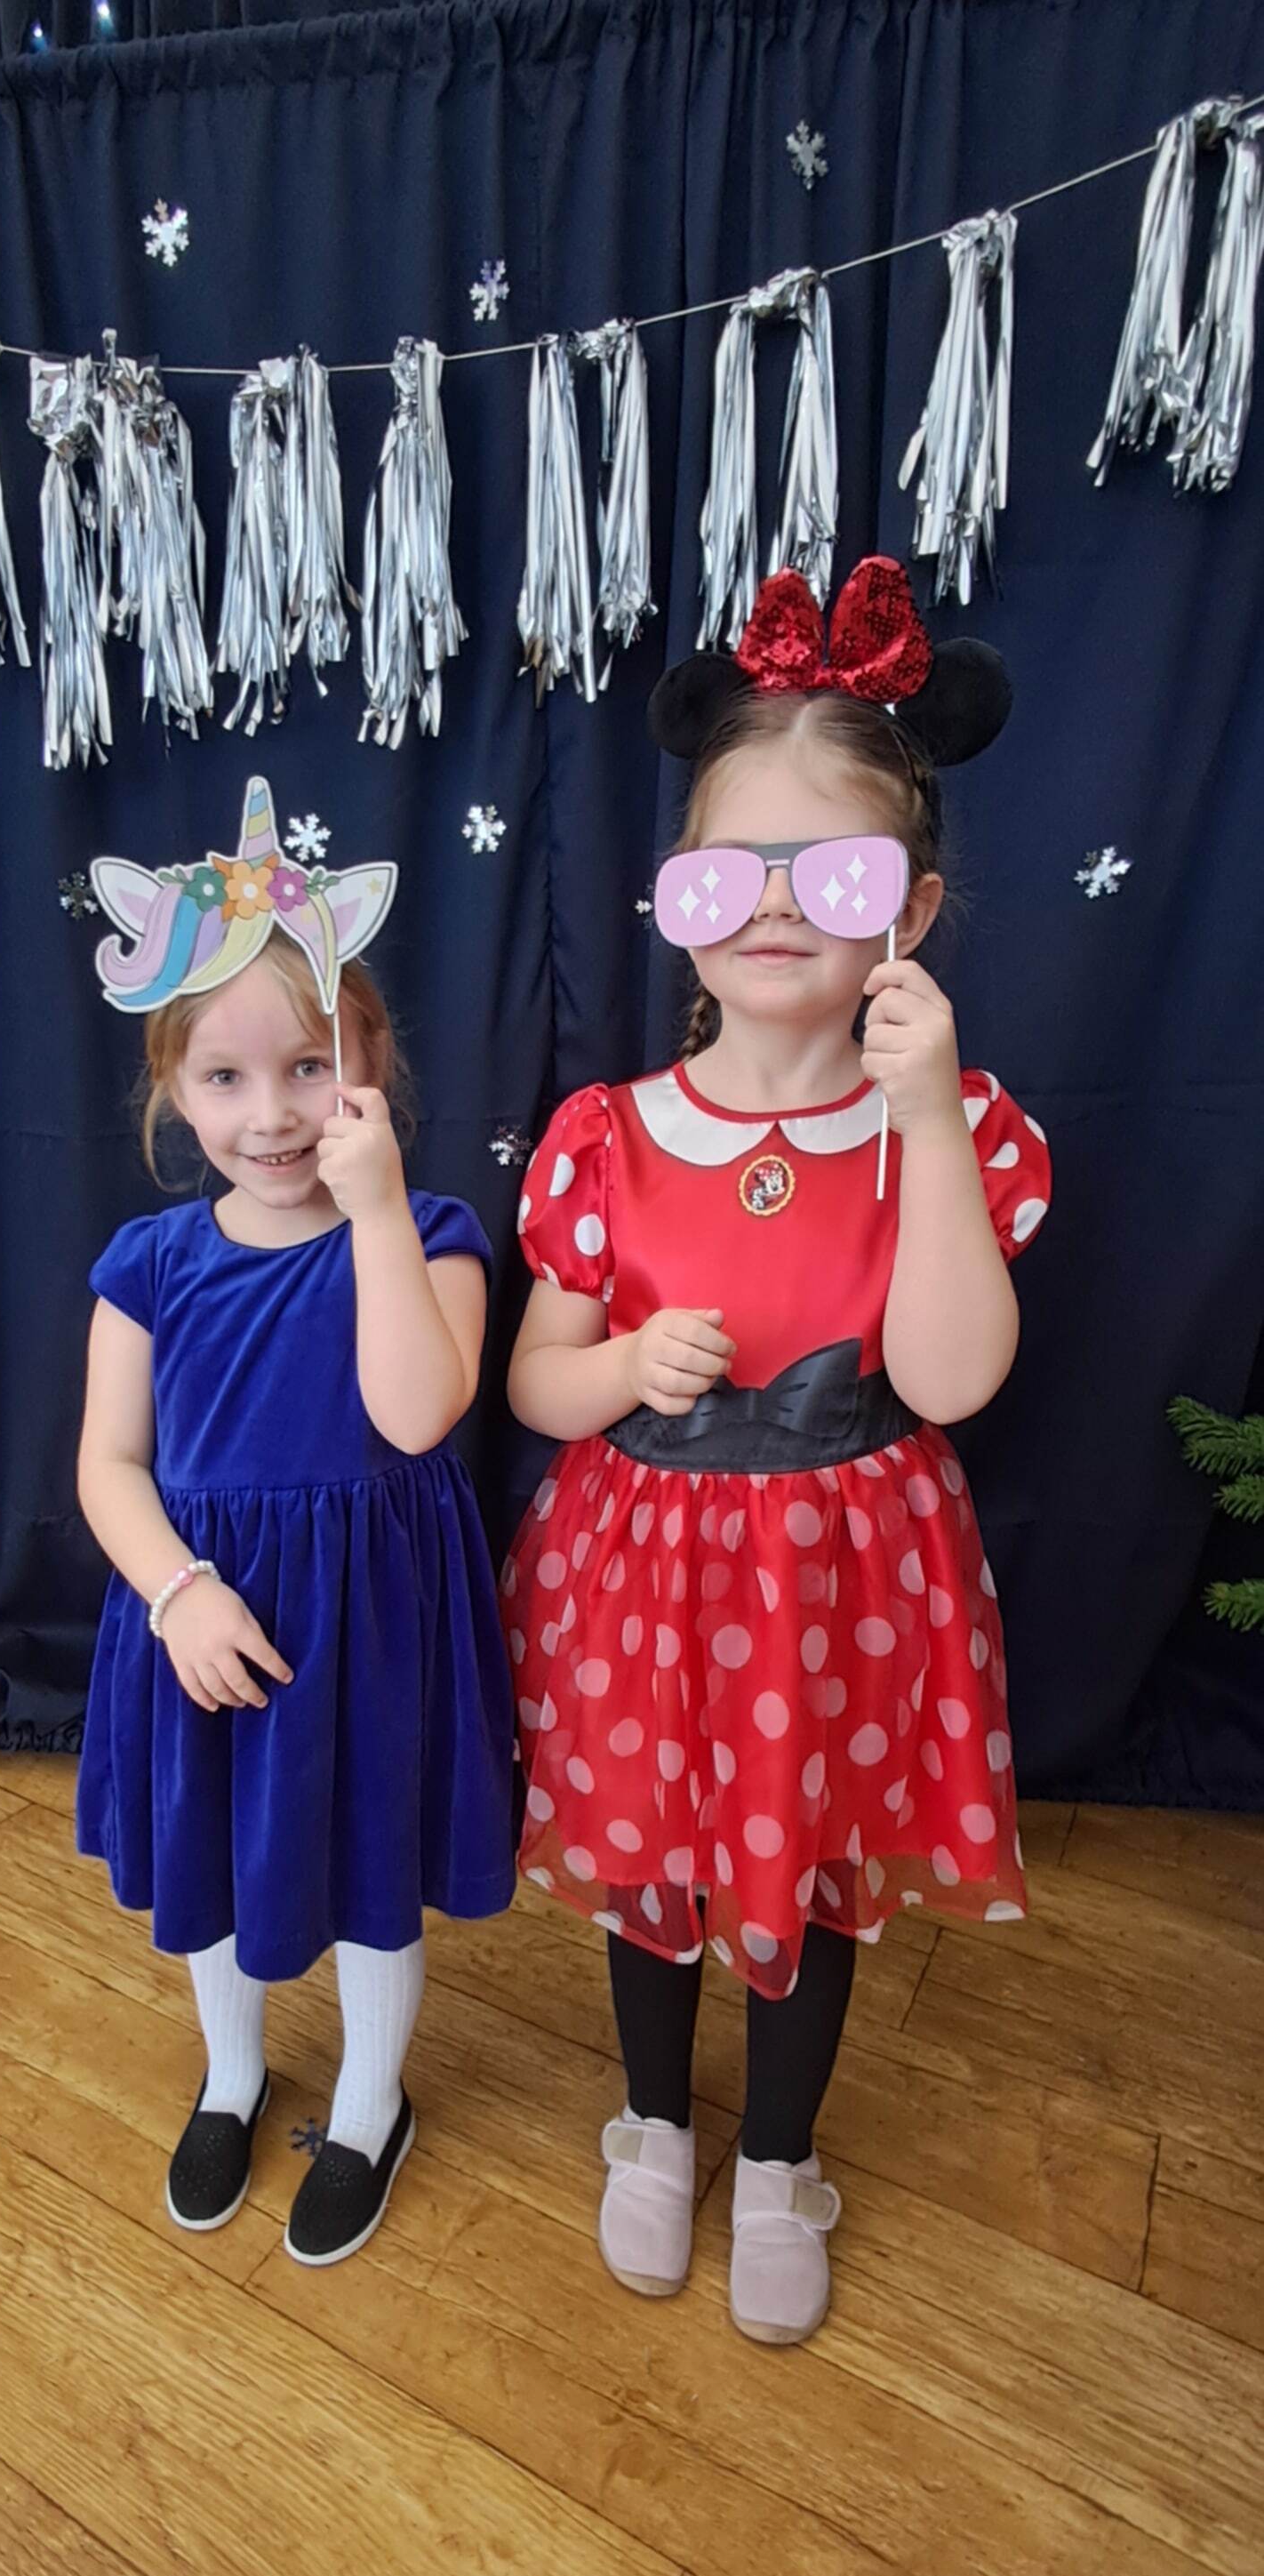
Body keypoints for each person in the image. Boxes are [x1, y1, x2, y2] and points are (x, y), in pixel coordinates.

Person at [503, 558, 1051, 2344]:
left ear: (913, 909)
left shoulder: (950, 1129)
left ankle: (779, 2159)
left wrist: (926, 1120)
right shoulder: (606, 1134)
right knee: (654, 1862)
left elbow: (953, 1379)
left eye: (836, 875)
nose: (777, 909)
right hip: (646, 1583)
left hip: (844, 1585)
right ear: (680, 897)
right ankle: (656, 2129)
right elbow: (534, 1386)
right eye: (732, 871)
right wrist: (621, 1367)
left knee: (809, 1874)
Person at [76, 779, 514, 2267]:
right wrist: (179, 1593)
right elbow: (108, 1466)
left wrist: (377, 1209)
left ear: (367, 1064)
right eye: (225, 1078)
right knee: (211, 1855)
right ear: (174, 1091)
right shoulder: (147, 1262)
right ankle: (235, 2076)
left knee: (373, 1867)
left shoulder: (435, 1235)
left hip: (372, 1621)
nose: (271, 1116)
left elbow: (417, 1414)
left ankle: (375, 2103)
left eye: (310, 1068)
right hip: (207, 1619)